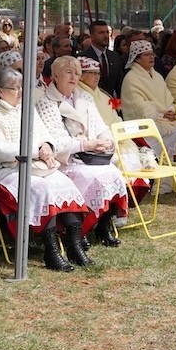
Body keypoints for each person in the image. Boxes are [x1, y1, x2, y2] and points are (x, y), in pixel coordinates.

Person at [0, 67, 91, 271]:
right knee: (42, 190)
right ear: (0, 91)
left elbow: (44, 133)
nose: (20, 92)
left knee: (65, 184)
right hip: (5, 171)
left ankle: (74, 245)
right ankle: (51, 250)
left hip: (37, 166)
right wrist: (35, 150)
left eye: (22, 88)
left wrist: (47, 146)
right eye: (15, 88)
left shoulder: (25, 107)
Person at [36, 56, 127, 247]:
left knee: (114, 173)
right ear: (55, 75)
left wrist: (107, 140)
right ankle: (81, 230)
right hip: (67, 159)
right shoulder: (46, 101)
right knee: (92, 177)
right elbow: (54, 140)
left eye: (77, 73)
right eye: (68, 72)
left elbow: (100, 126)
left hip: (91, 155)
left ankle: (103, 225)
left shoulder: (84, 97)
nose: (74, 77)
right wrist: (85, 146)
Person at [120, 39, 176, 163]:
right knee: (175, 133)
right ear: (137, 58)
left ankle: (165, 168)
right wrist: (161, 114)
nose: (151, 57)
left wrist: (170, 110)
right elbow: (138, 107)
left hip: (164, 119)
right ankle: (155, 162)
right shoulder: (131, 78)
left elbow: (168, 97)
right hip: (144, 123)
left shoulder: (158, 76)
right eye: (146, 54)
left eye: (152, 54)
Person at [79, 20, 123, 98]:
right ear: (92, 36)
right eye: (101, 33)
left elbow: (119, 84)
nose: (106, 36)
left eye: (107, 32)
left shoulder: (114, 56)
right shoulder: (82, 58)